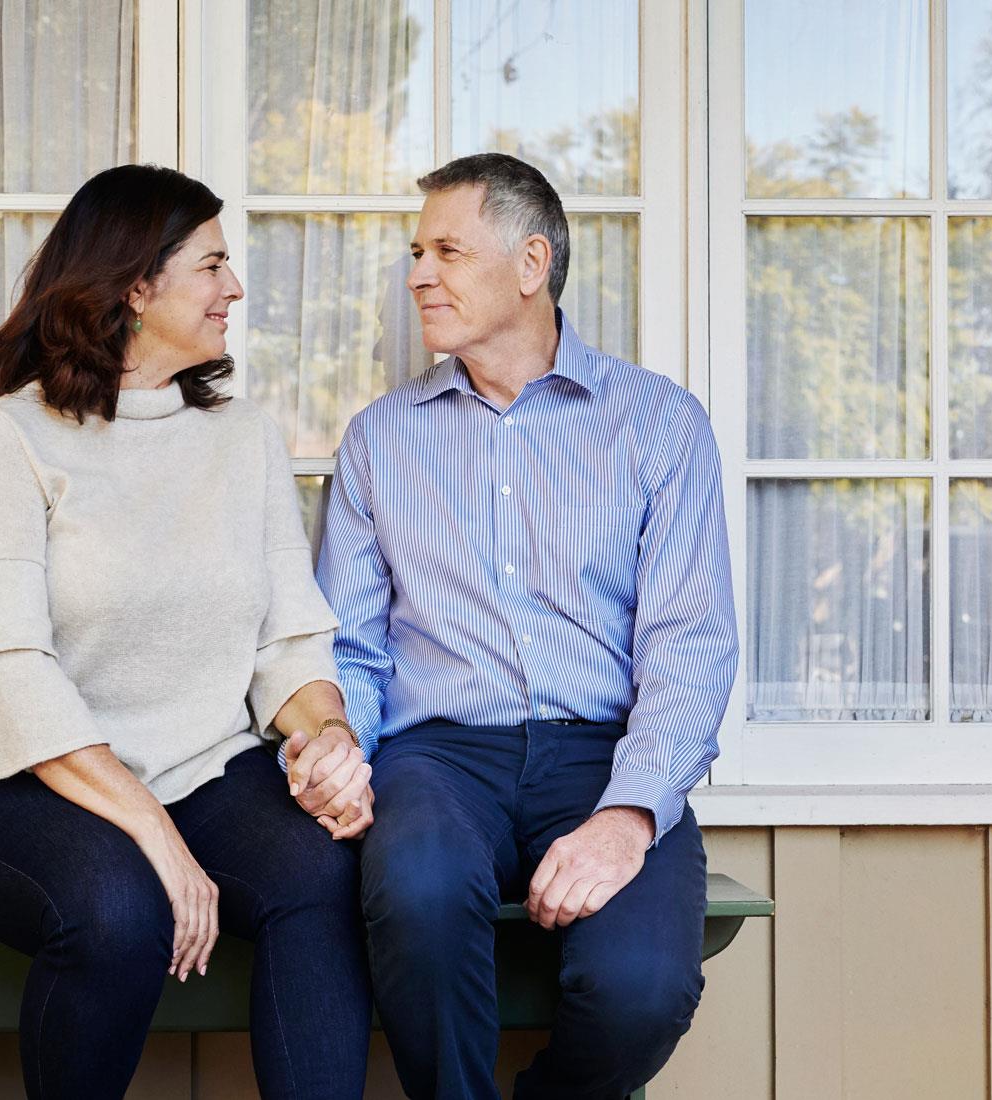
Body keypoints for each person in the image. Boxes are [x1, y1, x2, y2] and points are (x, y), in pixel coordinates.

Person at [0, 164, 373, 1100]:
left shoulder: (243, 437)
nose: (235, 288)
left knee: (322, 877)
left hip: (198, 769)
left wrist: (327, 739)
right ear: (136, 288)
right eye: (213, 266)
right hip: (6, 778)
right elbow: (12, 670)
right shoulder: (10, 437)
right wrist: (154, 835)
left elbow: (288, 641)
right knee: (119, 911)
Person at [302, 152, 739, 1100]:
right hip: (438, 760)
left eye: (447, 251)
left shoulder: (658, 425)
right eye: (416, 253)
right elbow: (352, 647)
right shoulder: (381, 438)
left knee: (641, 990)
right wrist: (341, 741)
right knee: (417, 898)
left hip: (603, 755)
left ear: (532, 263)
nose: (419, 274)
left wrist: (630, 814)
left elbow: (690, 643)